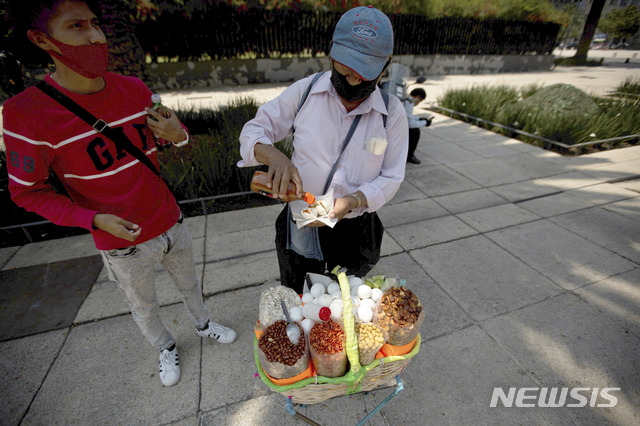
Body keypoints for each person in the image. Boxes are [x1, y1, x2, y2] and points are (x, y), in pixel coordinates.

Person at [3, 0, 236, 387]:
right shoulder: (26, 113)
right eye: (76, 26)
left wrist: (179, 136)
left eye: (95, 23)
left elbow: (172, 141)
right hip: (121, 240)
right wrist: (91, 219)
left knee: (190, 284)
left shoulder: (134, 89)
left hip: (169, 220)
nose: (95, 35)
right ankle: (164, 347)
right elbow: (27, 192)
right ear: (42, 39)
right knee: (142, 304)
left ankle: (203, 324)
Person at [239, 6, 408, 294]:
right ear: (331, 52)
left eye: (365, 71)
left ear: (386, 64)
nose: (354, 78)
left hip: (354, 225)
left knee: (345, 300)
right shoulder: (306, 92)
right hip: (303, 217)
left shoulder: (391, 114)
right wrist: (274, 155)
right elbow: (255, 129)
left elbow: (392, 176)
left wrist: (352, 201)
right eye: (346, 66)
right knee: (300, 296)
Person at [404, 88, 429, 164]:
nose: (418, 103)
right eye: (420, 101)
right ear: (418, 97)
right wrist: (425, 123)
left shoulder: (407, 100)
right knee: (415, 131)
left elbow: (408, 117)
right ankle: (409, 155)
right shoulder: (408, 104)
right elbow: (411, 124)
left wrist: (419, 119)